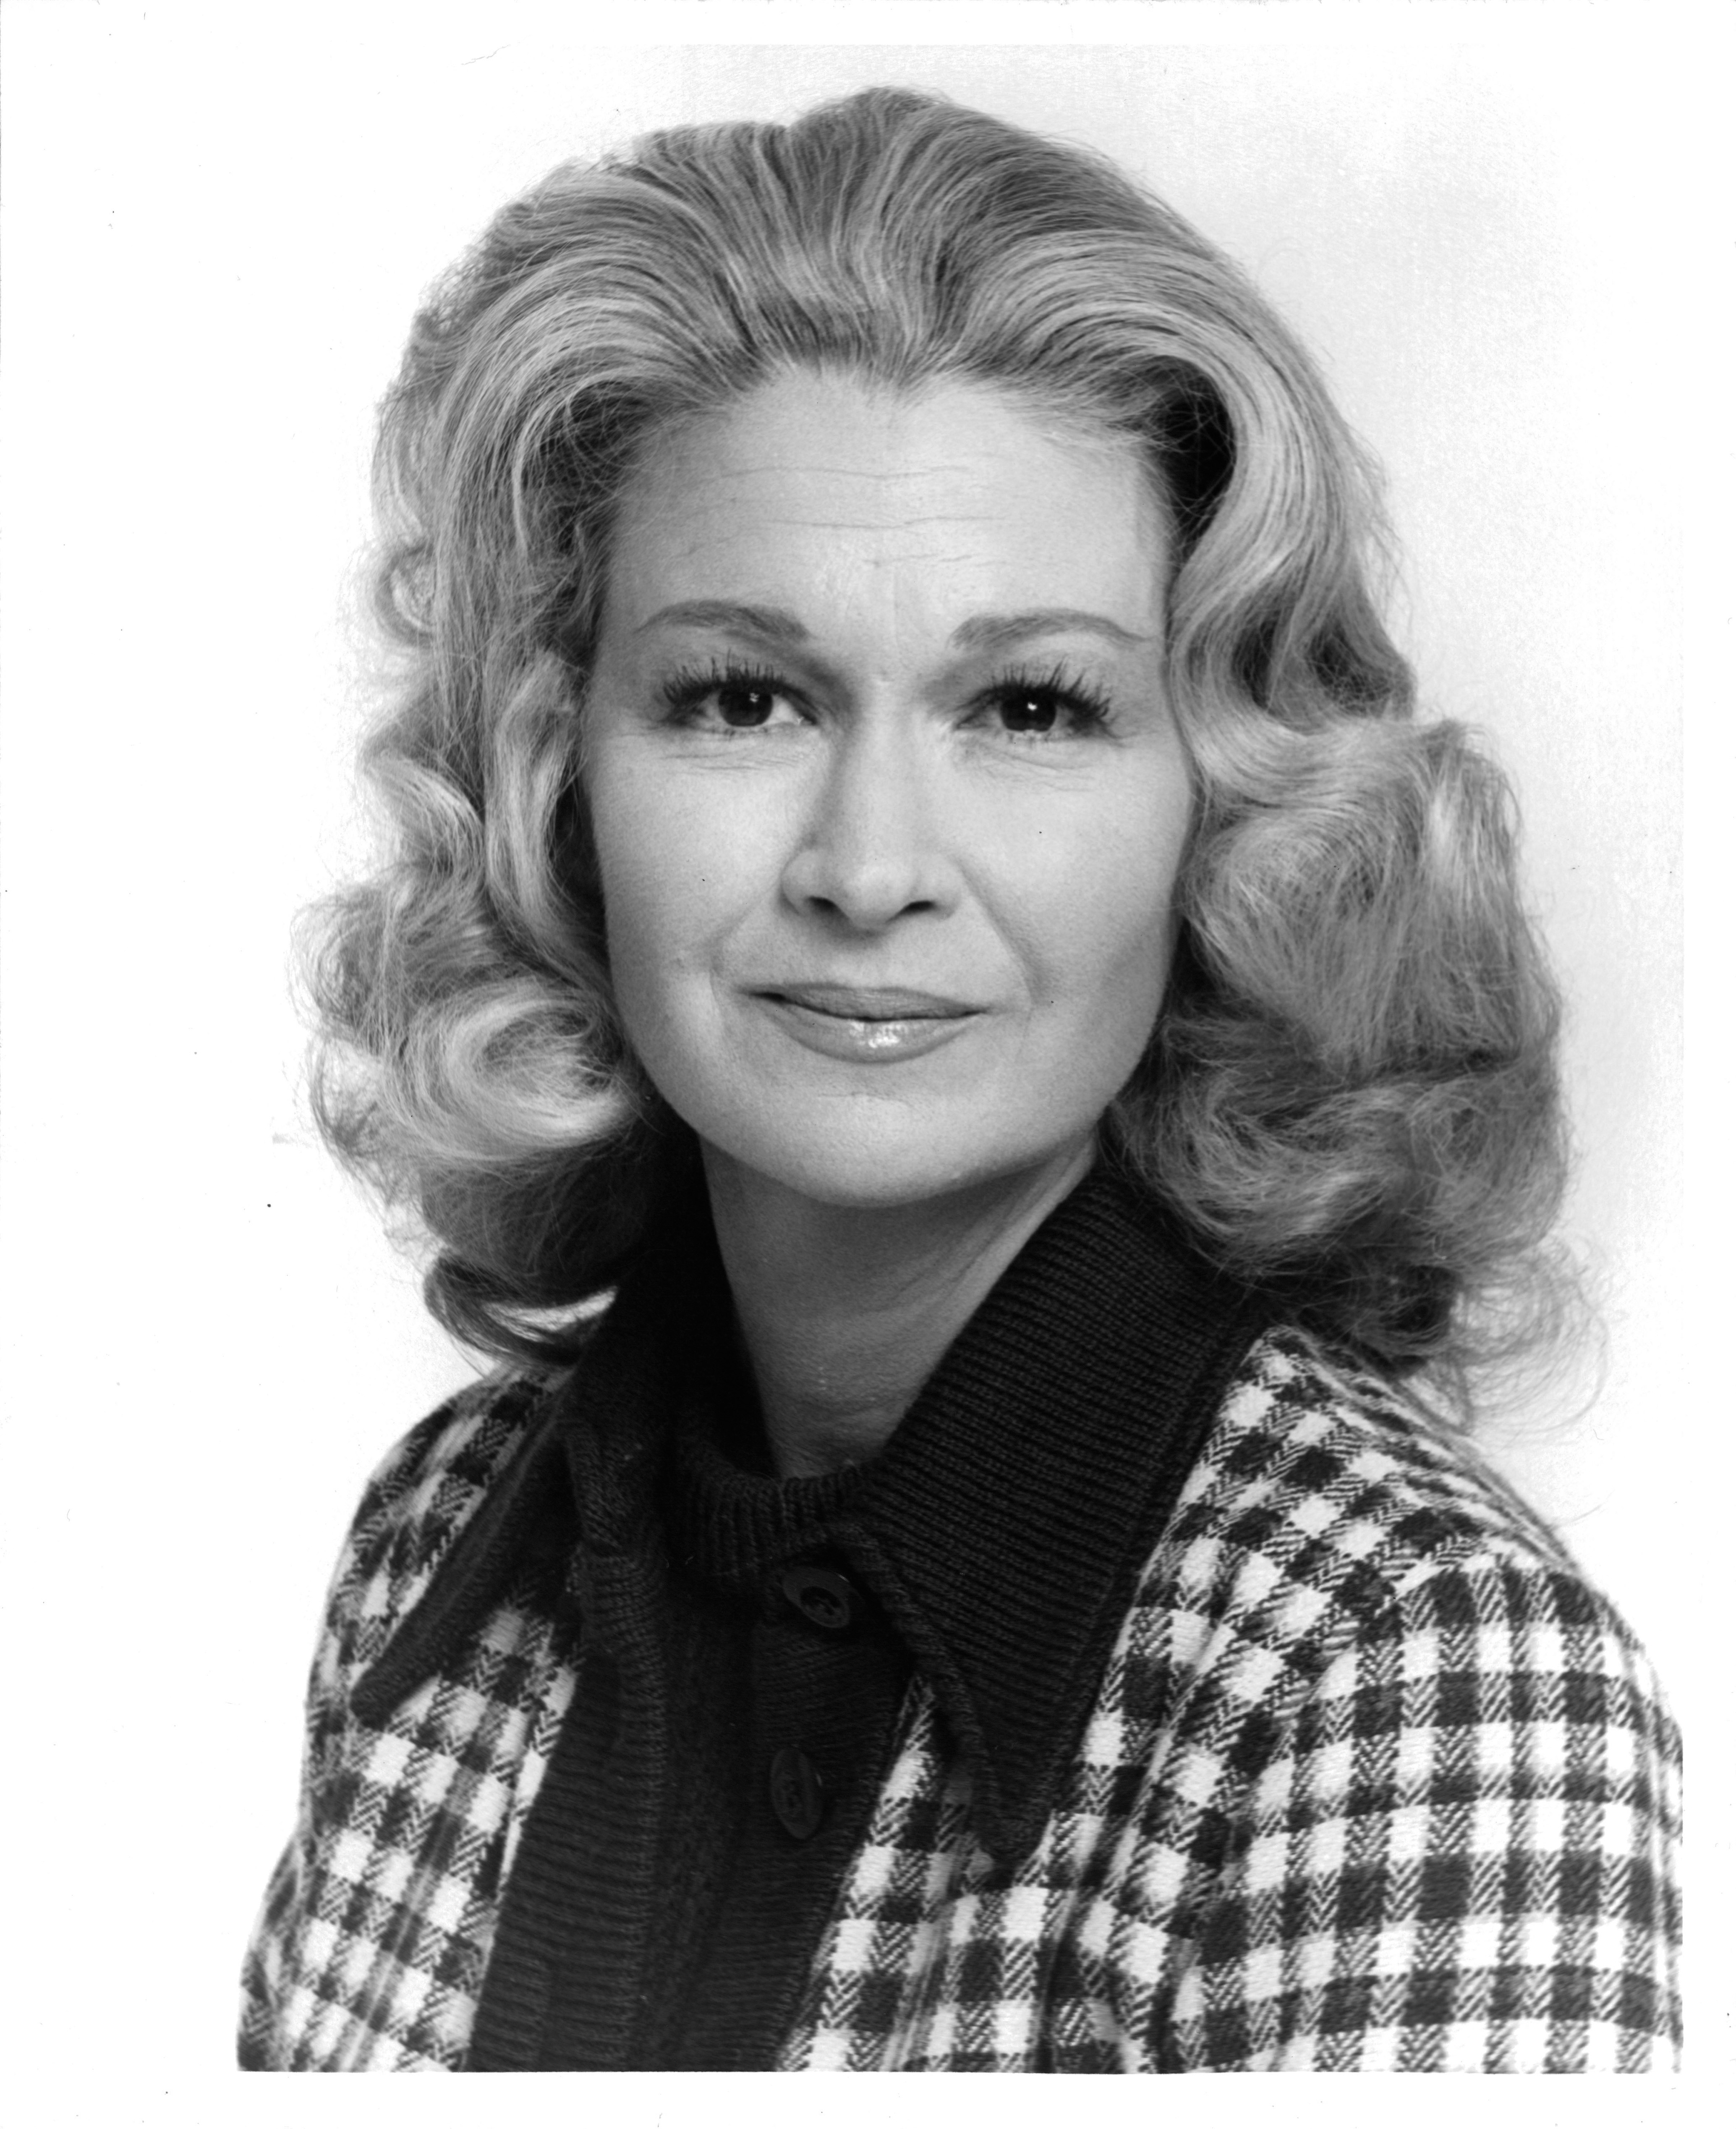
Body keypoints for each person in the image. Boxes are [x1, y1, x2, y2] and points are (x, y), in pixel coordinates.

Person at [240, 88, 1681, 2074]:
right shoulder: (440, 1539)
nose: (867, 865)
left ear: (1227, 814)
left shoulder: (1405, 1676)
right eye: (738, 695)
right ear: (561, 779)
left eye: (1030, 707)